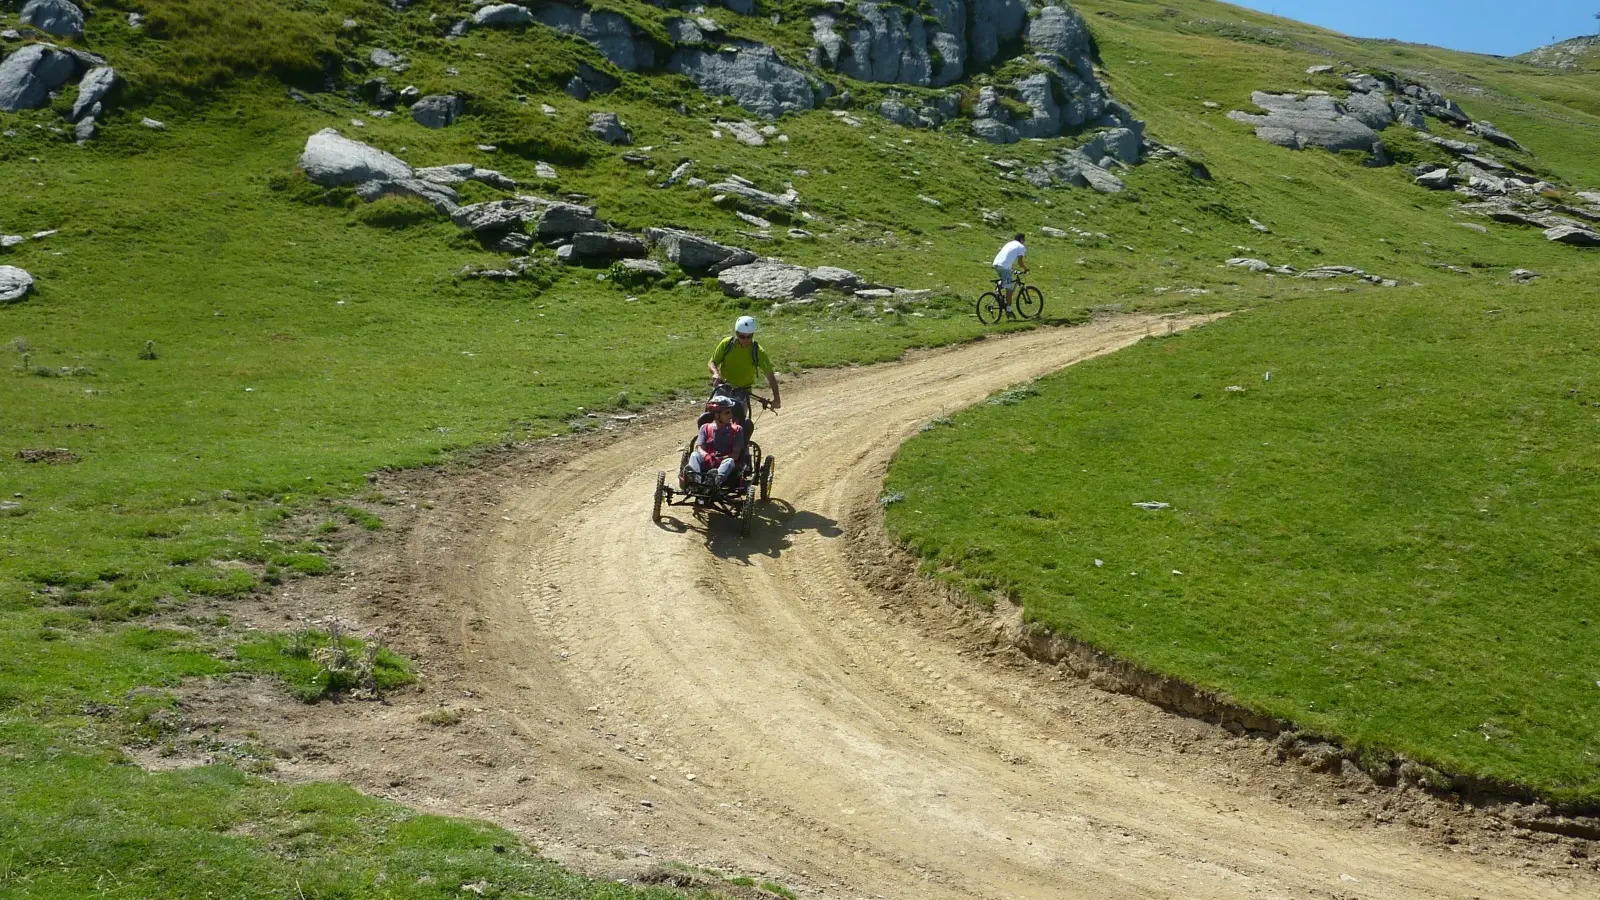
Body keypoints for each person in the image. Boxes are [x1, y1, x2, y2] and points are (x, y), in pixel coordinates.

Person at [706, 315, 781, 430]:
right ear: (736, 333)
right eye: (742, 336)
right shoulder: (726, 344)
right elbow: (712, 362)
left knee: (739, 427)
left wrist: (776, 398)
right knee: (712, 419)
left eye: (749, 336)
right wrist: (716, 373)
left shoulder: (757, 351)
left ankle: (741, 448)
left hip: (743, 393)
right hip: (723, 388)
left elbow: (770, 375)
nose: (746, 340)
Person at [688, 396, 747, 490]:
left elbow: (736, 454)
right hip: (708, 461)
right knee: (694, 455)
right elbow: (700, 447)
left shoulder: (737, 430)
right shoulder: (705, 428)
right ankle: (696, 482)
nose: (731, 416)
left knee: (729, 461)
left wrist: (721, 459)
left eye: (731, 412)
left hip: (725, 463)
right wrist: (706, 456)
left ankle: (714, 482)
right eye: (727, 413)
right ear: (716, 415)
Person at [992, 233, 1028, 319]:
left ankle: (998, 293)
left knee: (1005, 279)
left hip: (996, 264)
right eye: (1024, 240)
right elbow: (1020, 263)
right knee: (1009, 289)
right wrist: (1026, 268)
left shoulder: (1009, 243)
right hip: (1004, 267)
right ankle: (1008, 310)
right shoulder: (1021, 247)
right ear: (1021, 239)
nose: (1024, 242)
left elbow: (1006, 257)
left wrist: (1012, 270)